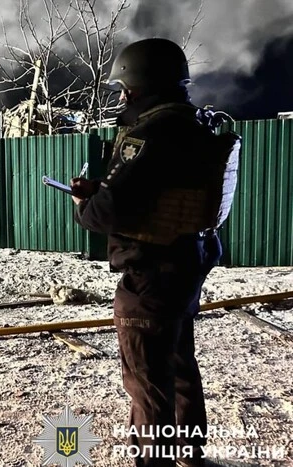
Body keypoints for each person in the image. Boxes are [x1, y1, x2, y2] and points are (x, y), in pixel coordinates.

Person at [70, 38, 240, 467]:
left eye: (124, 88)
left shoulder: (150, 133)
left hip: (150, 274)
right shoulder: (193, 125)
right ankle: (188, 453)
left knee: (147, 383)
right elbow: (155, 193)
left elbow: (105, 213)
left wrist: (84, 202)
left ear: (140, 86)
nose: (121, 97)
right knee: (179, 363)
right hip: (186, 263)